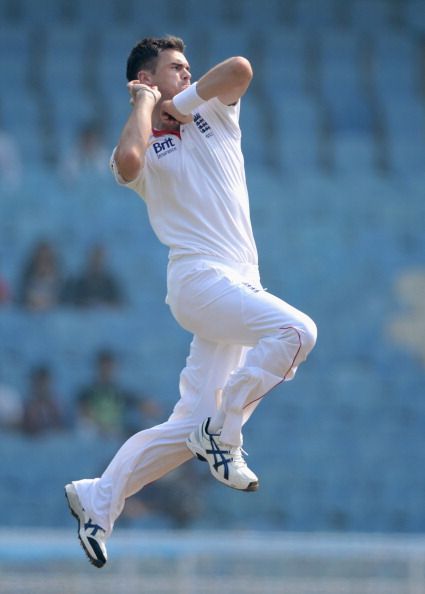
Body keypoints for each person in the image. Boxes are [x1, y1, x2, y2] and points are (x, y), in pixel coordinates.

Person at [65, 35, 317, 568]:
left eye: (187, 67)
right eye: (175, 68)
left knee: (184, 430)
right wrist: (144, 106)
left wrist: (178, 104)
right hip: (200, 280)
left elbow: (240, 69)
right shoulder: (143, 134)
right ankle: (223, 431)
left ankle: (99, 498)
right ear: (147, 78)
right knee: (297, 333)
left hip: (240, 283)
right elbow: (129, 161)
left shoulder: (212, 110)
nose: (188, 72)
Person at [77, 349, 159, 438]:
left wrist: (149, 407)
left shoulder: (119, 393)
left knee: (147, 426)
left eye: (109, 368)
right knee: (87, 427)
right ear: (98, 368)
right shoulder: (87, 393)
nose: (107, 371)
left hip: (116, 431)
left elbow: (142, 405)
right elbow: (84, 413)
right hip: (97, 431)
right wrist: (103, 426)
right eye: (104, 367)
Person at [18, 240, 64, 311]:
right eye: (40, 259)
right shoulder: (25, 285)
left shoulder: (63, 287)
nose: (43, 264)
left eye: (47, 259)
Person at [22, 365, 65, 436]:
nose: (42, 387)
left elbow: (60, 427)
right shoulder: (27, 404)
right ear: (34, 384)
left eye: (45, 383)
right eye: (39, 383)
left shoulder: (57, 404)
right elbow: (30, 428)